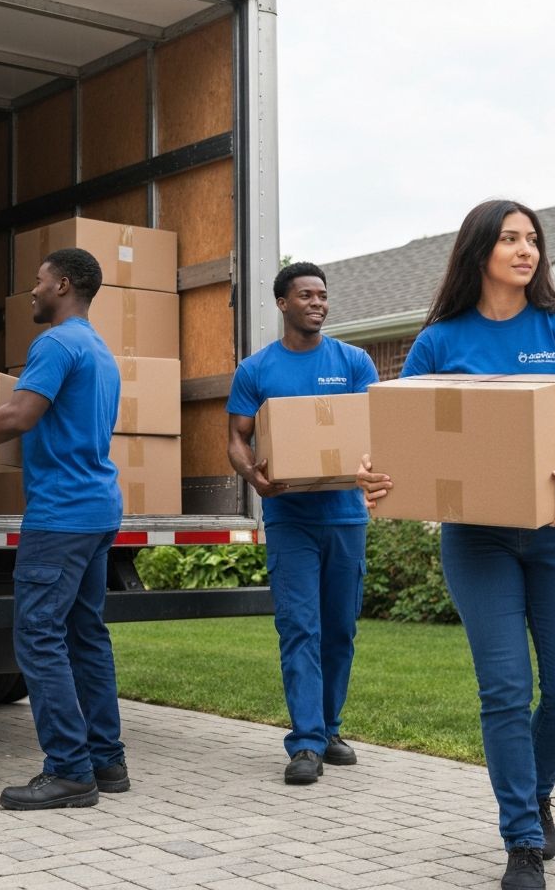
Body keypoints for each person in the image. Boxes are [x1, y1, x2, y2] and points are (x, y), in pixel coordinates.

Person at [359, 201, 555, 890]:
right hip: (475, 540)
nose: (525, 250)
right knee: (506, 688)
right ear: (479, 250)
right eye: (510, 238)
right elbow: (398, 435)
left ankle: (534, 792)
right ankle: (522, 841)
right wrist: (373, 472)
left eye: (533, 239)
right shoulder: (441, 340)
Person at [0, 247, 129, 810]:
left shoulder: (55, 344)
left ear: (61, 284)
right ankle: (107, 760)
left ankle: (69, 771)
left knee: (37, 634)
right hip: (100, 509)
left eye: (37, 281)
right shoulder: (100, 351)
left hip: (61, 515)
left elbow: (20, 414)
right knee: (85, 633)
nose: (31, 291)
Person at [227, 261, 379, 785]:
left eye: (322, 295)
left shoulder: (354, 362)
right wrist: (255, 478)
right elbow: (236, 439)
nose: (317, 302)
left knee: (339, 629)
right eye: (306, 295)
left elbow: (373, 430)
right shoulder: (257, 370)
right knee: (299, 628)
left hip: (344, 517)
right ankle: (306, 742)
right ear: (282, 303)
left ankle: (330, 727)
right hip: (289, 517)